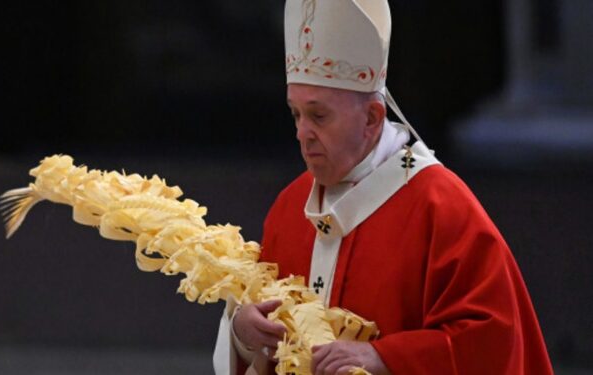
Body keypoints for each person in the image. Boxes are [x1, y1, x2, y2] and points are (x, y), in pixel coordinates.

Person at [212, 1, 554, 374]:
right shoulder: (290, 205)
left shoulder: (441, 206)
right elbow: (258, 325)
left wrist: (386, 358)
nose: (302, 133)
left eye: (319, 115)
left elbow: (492, 343)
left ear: (372, 118)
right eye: (296, 114)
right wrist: (243, 333)